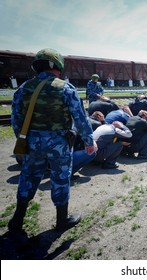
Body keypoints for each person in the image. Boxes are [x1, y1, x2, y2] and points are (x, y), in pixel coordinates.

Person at [9, 48, 96, 233]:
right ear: (57, 66)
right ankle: (61, 220)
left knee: (28, 177)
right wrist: (89, 141)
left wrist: (24, 139)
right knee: (60, 178)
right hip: (59, 144)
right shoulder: (65, 88)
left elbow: (16, 119)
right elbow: (80, 118)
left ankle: (17, 220)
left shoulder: (23, 88)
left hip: (32, 143)